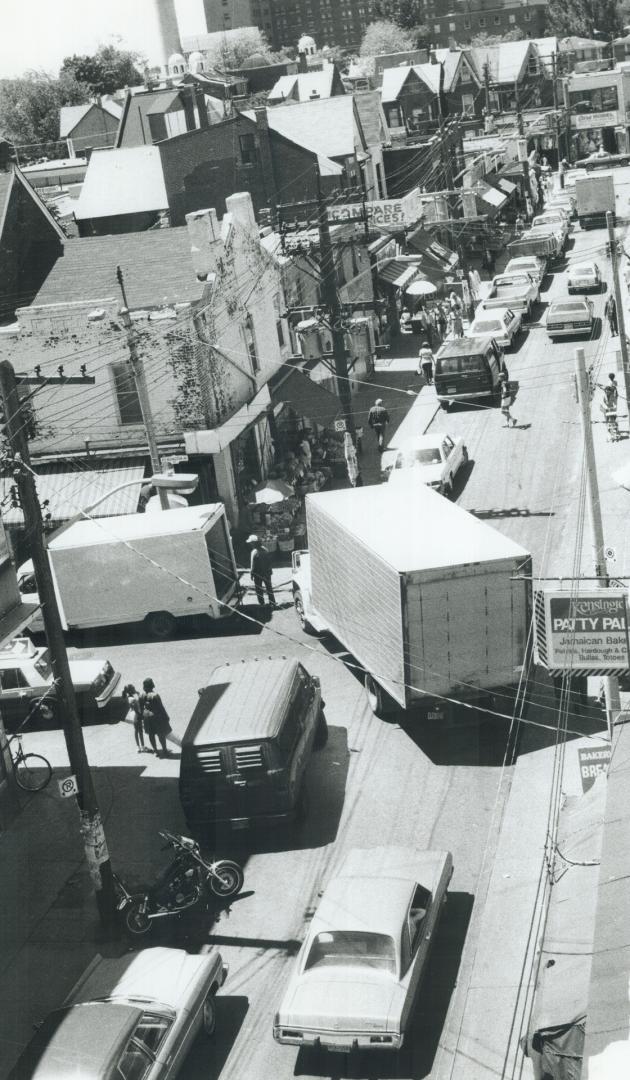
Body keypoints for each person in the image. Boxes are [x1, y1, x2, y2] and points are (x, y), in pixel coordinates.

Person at [139, 678, 172, 757]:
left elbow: (141, 708)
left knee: (151, 734)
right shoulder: (155, 696)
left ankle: (156, 751)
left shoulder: (141, 695)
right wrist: (166, 716)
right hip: (156, 717)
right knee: (161, 734)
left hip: (147, 717)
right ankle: (164, 750)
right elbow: (161, 708)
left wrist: (143, 717)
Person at [247, 534, 276, 607]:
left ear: (253, 543)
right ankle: (272, 602)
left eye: (251, 543)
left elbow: (252, 565)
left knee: (259, 589)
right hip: (267, 572)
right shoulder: (265, 549)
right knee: (269, 588)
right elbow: (269, 561)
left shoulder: (254, 552)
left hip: (258, 573)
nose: (250, 544)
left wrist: (251, 574)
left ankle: (262, 603)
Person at [123, 683, 147, 753]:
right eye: (133, 688)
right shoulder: (133, 699)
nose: (134, 689)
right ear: (131, 691)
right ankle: (142, 746)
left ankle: (138, 747)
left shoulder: (128, 698)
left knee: (136, 731)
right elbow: (137, 708)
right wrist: (141, 715)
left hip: (132, 715)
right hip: (137, 716)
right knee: (140, 731)